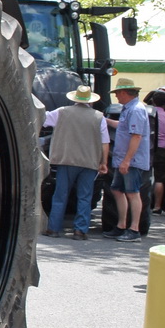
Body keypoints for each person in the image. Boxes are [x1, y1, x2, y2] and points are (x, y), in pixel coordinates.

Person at [44, 84, 110, 240]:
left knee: (60, 195)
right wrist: (103, 162)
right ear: (90, 100)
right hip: (89, 162)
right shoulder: (99, 117)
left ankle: (53, 229)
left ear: (74, 99)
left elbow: (43, 119)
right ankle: (80, 231)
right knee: (85, 197)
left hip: (66, 160)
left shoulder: (61, 112)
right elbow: (105, 142)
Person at [108, 77, 151, 241]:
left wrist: (127, 160)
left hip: (131, 161)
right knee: (117, 190)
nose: (116, 96)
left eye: (118, 93)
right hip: (123, 160)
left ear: (124, 93)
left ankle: (134, 229)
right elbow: (123, 127)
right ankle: (121, 225)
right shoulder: (129, 109)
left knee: (133, 192)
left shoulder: (136, 110)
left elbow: (136, 136)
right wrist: (105, 121)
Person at [145, 90, 165, 214]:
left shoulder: (146, 114)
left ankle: (143, 204)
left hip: (147, 148)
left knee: (144, 176)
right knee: (160, 179)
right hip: (163, 150)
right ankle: (157, 206)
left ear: (153, 101)